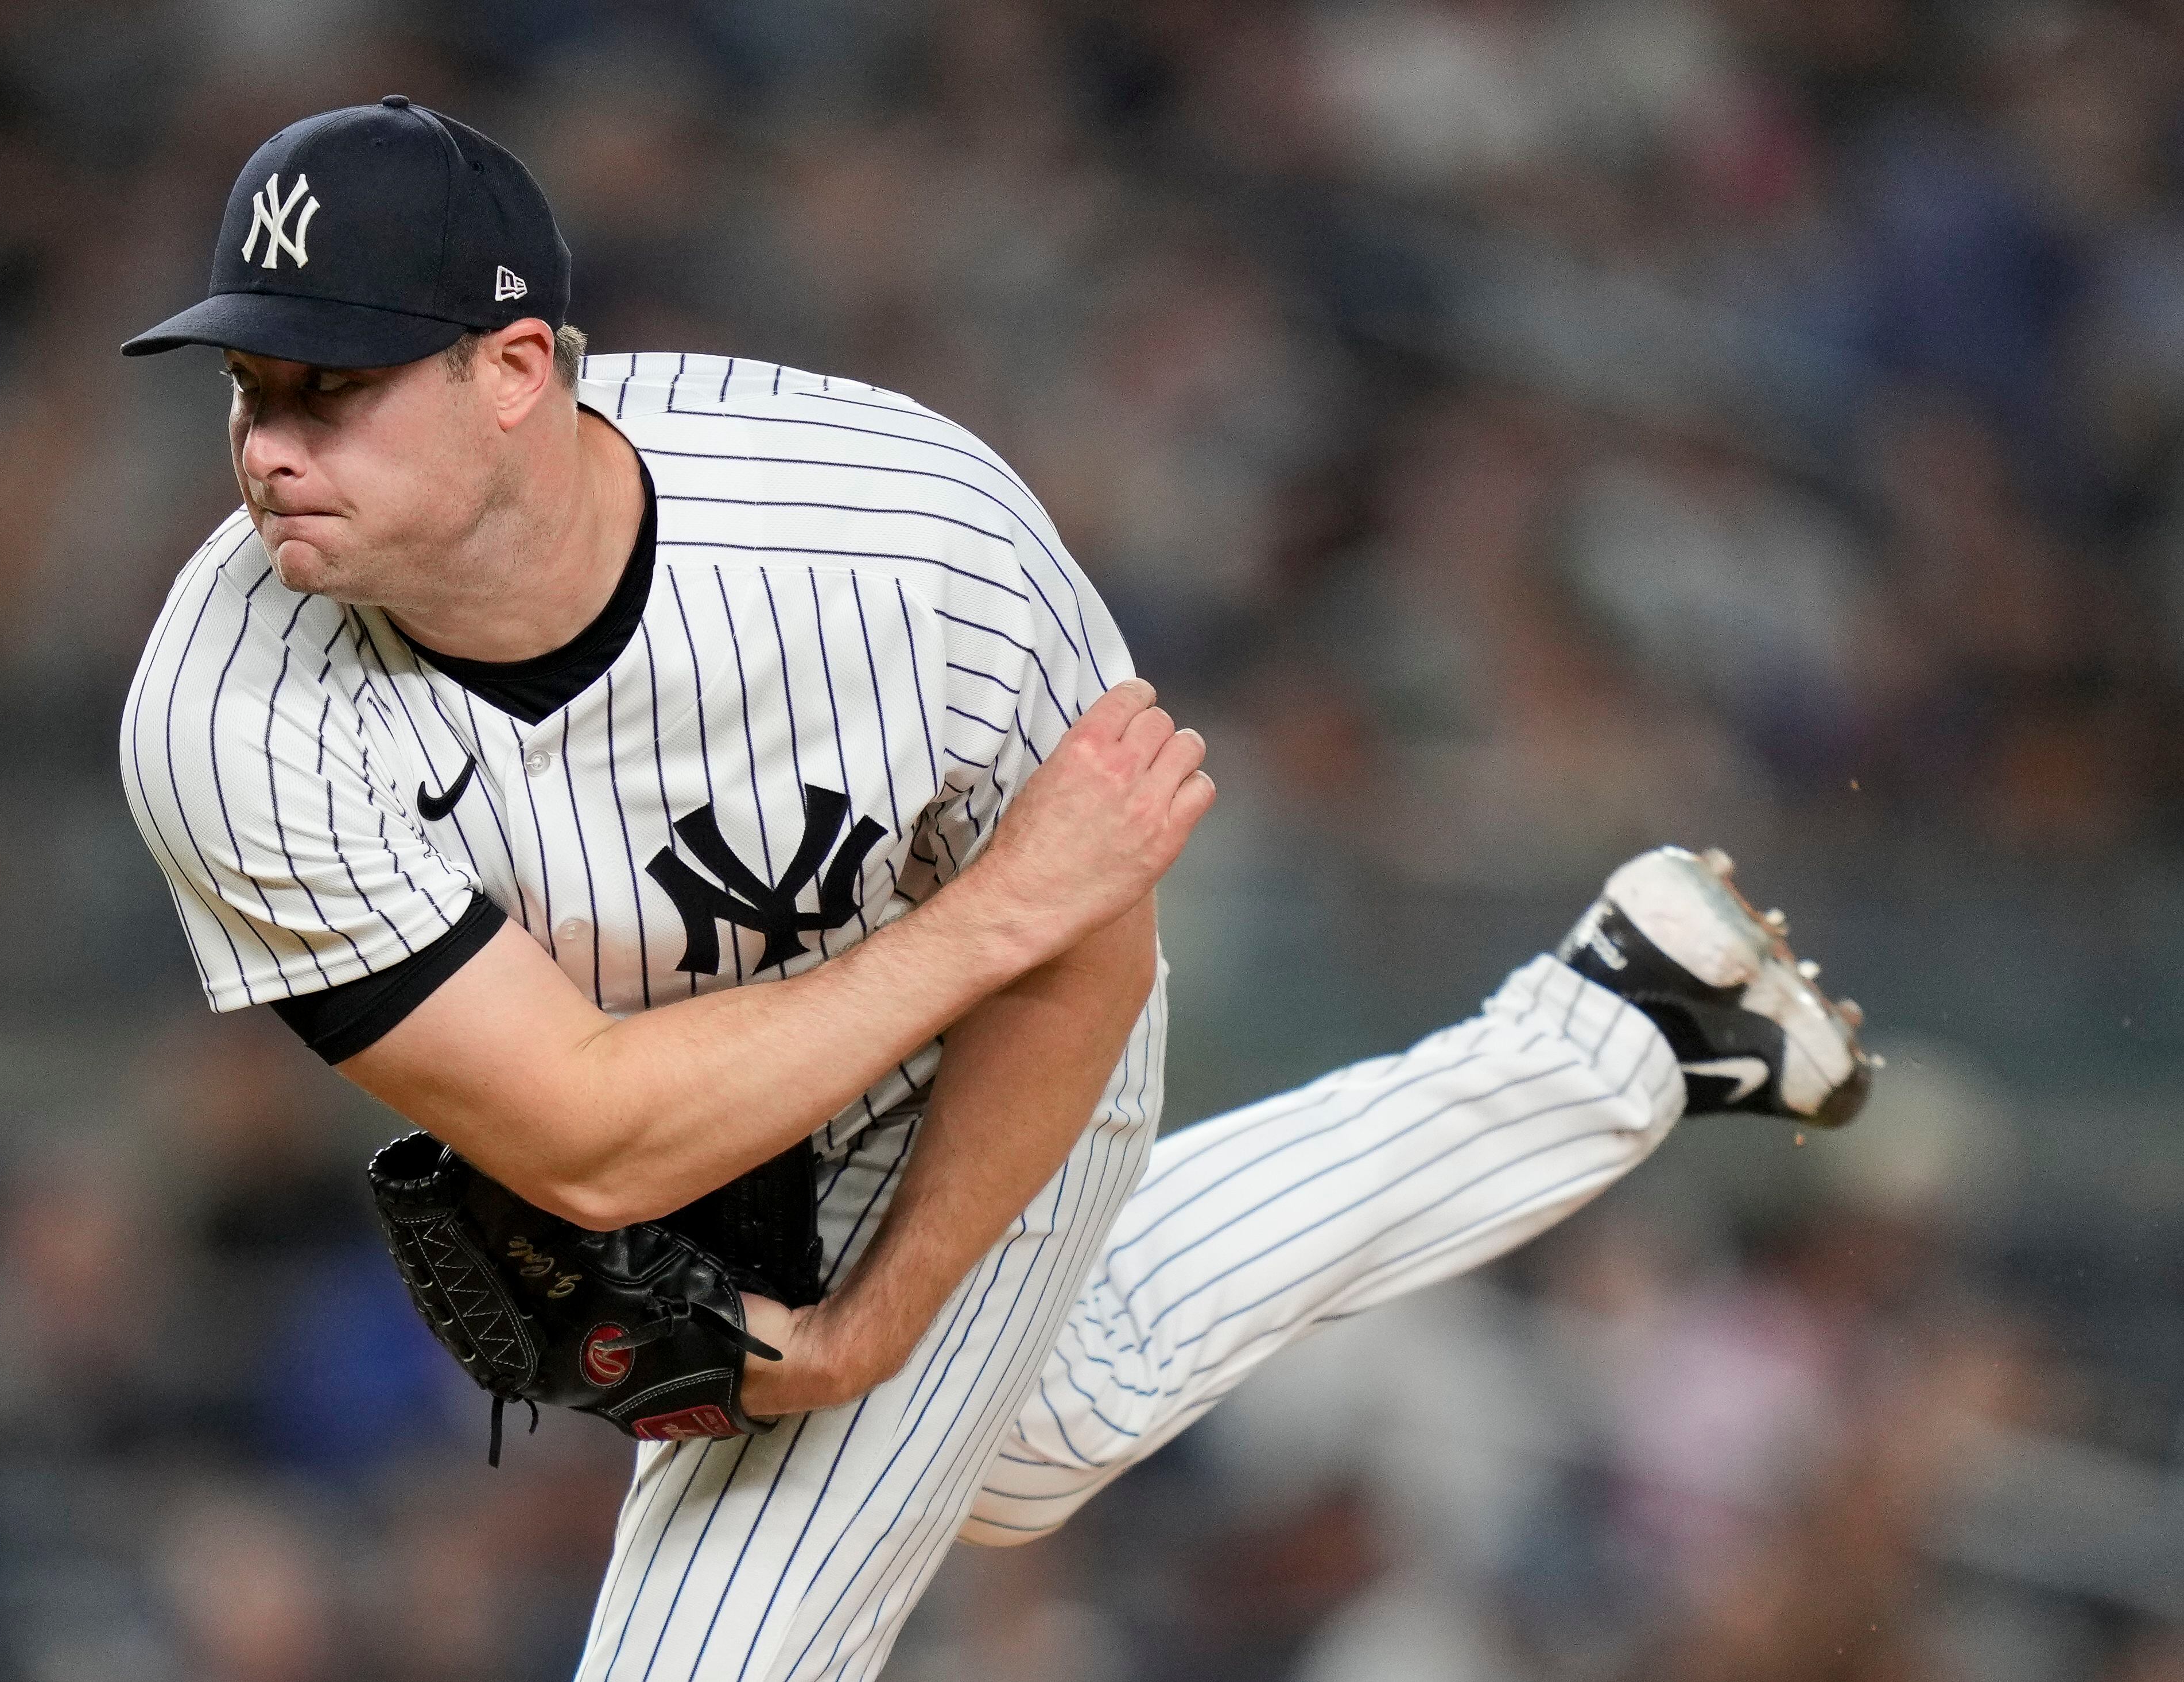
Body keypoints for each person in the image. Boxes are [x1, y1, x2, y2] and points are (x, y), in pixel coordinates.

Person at [117, 98, 1871, 1682]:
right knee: (1038, 1428)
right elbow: (588, 1139)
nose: (269, 443)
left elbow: (1080, 953)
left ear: (513, 370)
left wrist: (869, 1327)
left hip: (999, 1015)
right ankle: (1624, 1020)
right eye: (249, 388)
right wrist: (989, 929)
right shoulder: (222, 712)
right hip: (742, 1065)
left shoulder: (900, 541)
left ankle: (1623, 1024)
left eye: (329, 388)